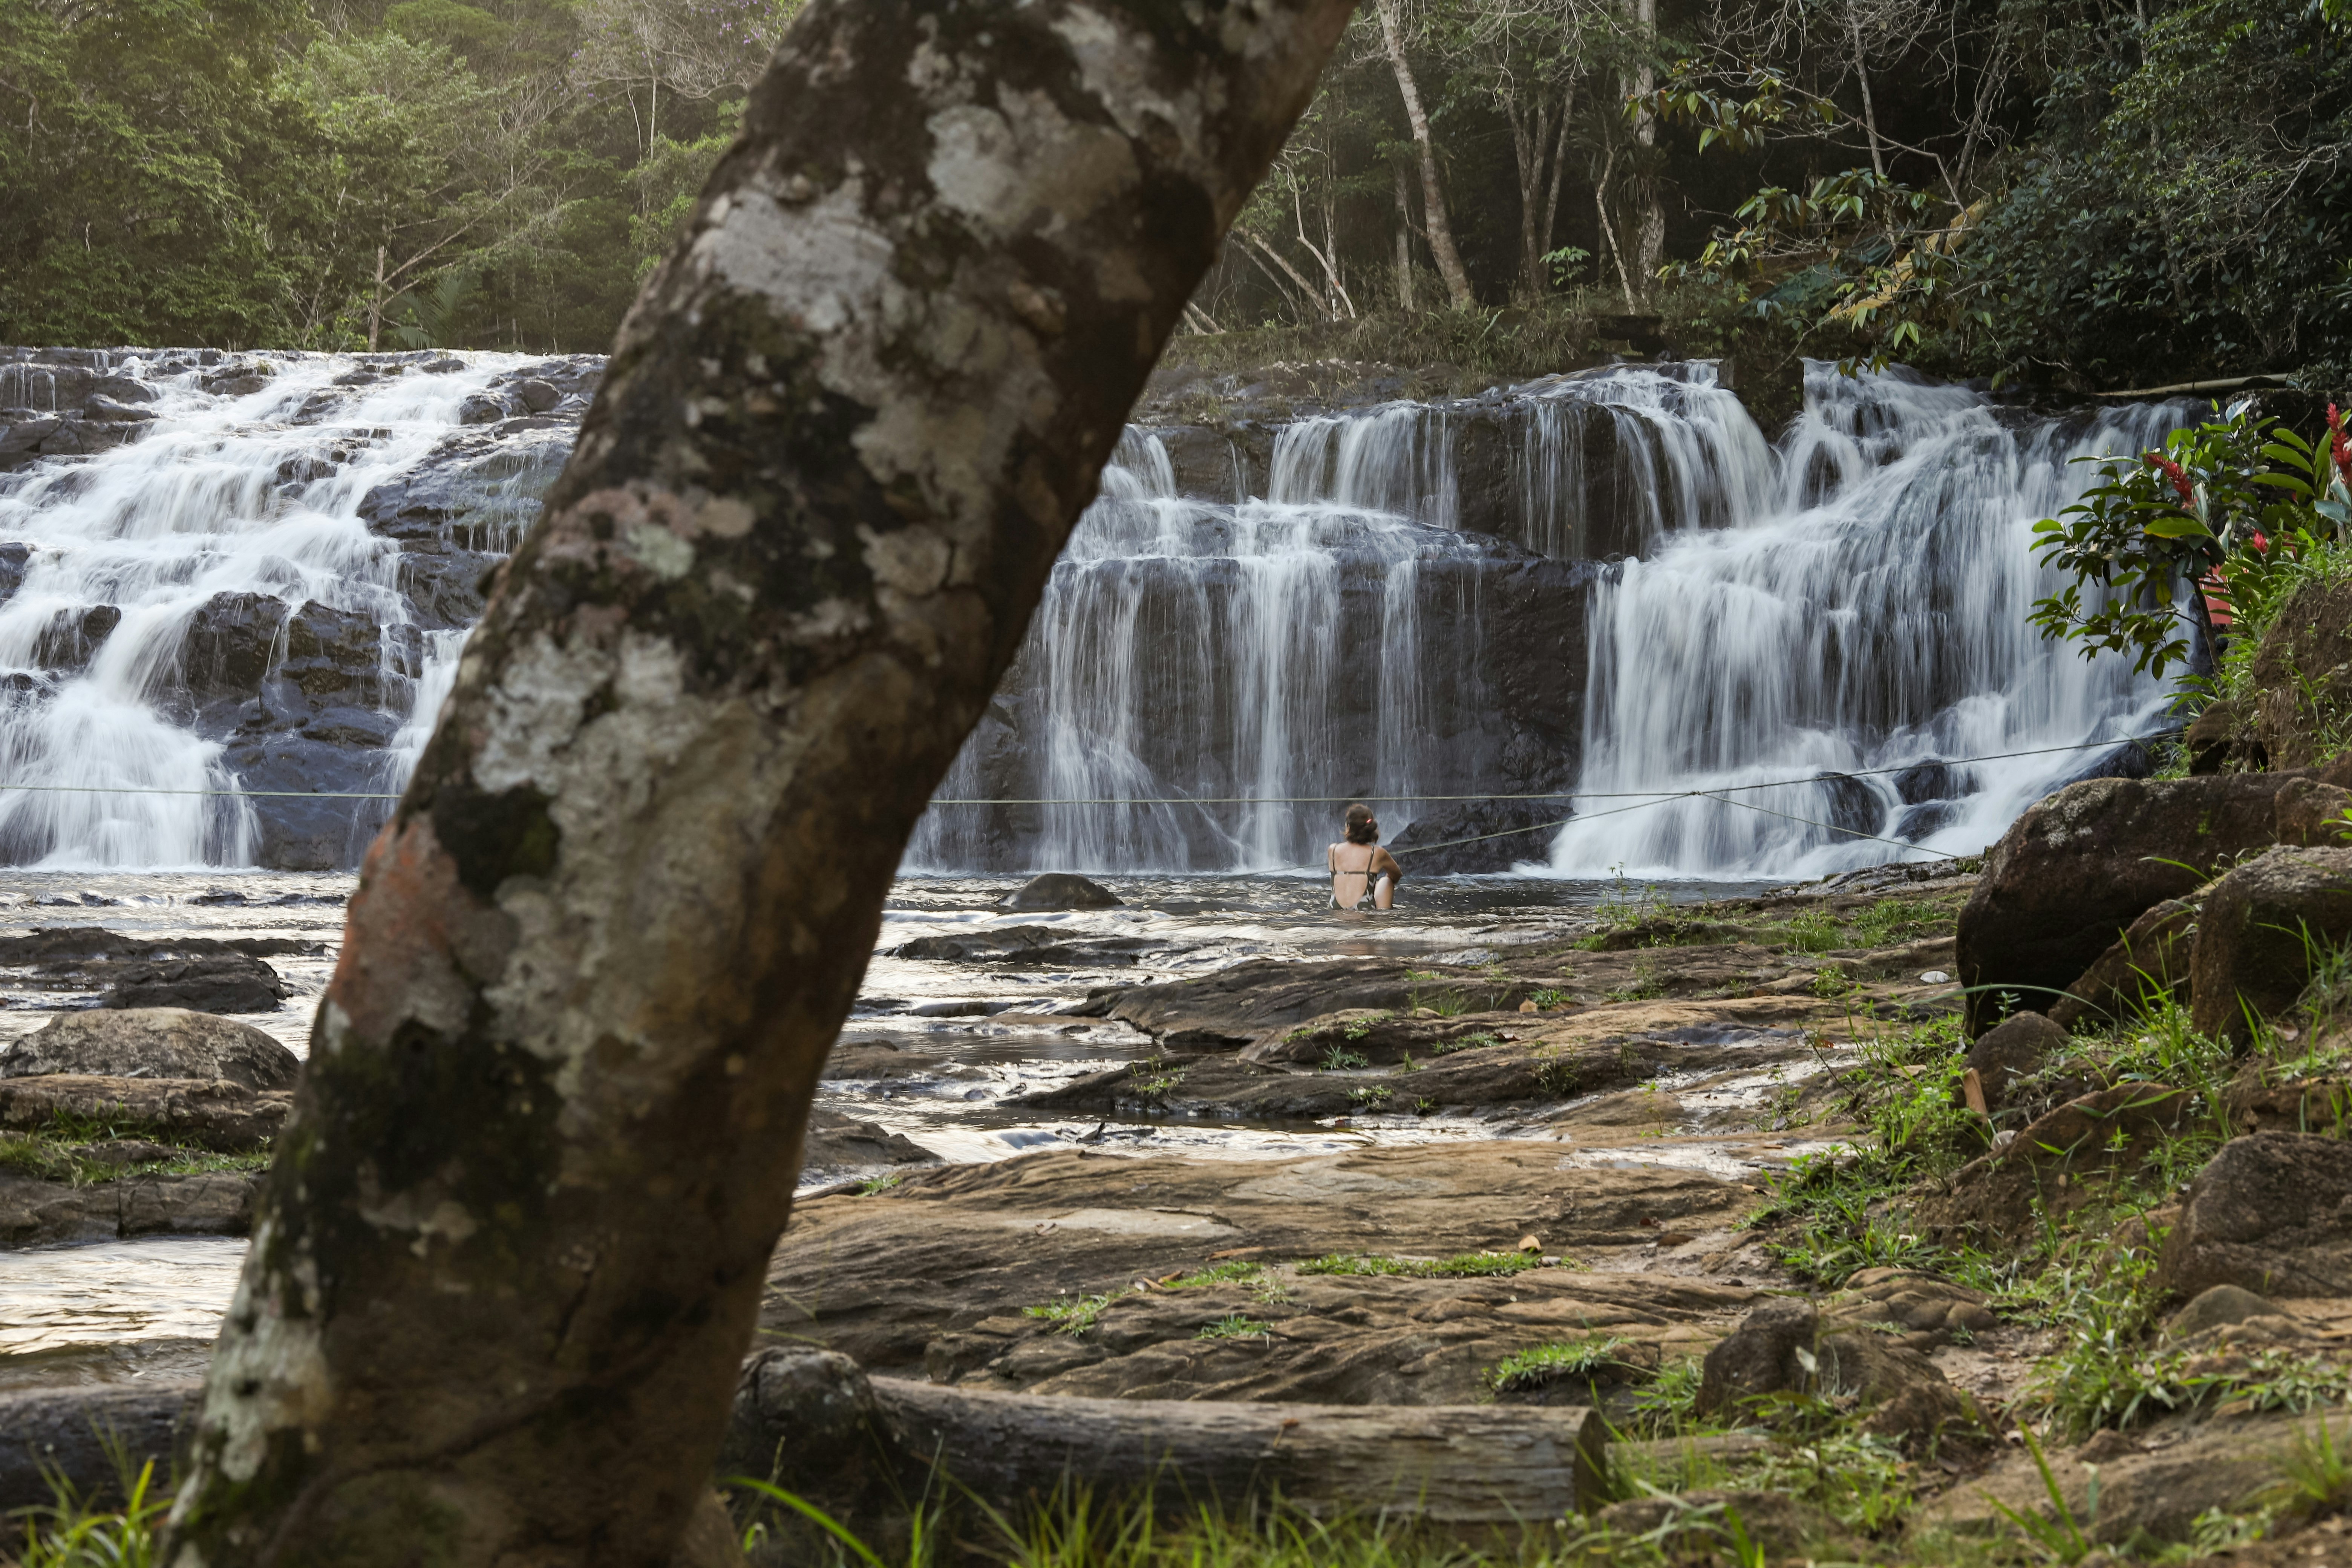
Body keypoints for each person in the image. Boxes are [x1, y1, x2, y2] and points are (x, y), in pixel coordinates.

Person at [1328, 802, 1403, 911]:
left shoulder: (1333, 850)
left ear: (1348, 827)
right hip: (1364, 911)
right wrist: (1374, 884)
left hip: (1335, 910)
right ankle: (1383, 918)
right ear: (1371, 828)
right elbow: (1397, 875)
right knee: (1386, 881)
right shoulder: (1377, 853)